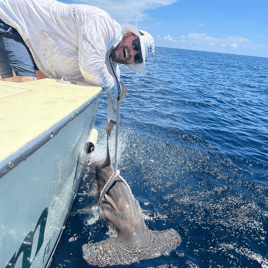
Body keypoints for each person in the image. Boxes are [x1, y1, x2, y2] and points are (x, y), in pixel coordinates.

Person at [0, 0, 155, 135]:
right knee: (27, 88)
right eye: (135, 45)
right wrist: (115, 87)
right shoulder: (103, 23)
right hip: (13, 20)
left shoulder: (111, 59)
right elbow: (91, 69)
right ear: (128, 35)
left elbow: (114, 94)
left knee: (7, 83)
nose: (132, 52)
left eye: (138, 56)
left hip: (29, 41)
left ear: (133, 63)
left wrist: (111, 123)